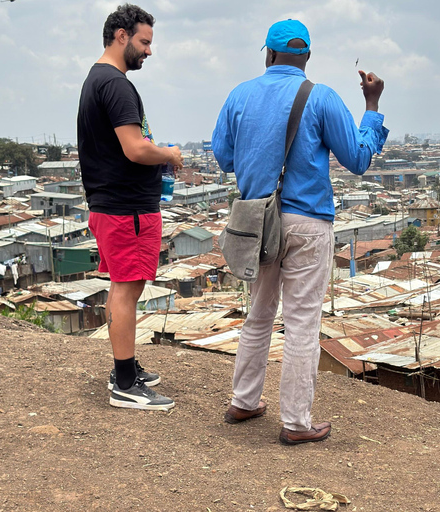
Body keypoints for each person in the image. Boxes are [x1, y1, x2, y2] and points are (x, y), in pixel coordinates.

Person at [212, 19, 388, 444]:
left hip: (260, 221)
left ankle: (244, 400)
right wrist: (372, 106)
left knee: (258, 314)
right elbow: (359, 159)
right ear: (307, 57)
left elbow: (223, 157)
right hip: (309, 223)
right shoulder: (322, 97)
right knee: (302, 324)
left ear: (269, 55)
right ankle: (295, 423)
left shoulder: (240, 95)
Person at [77, 3, 183, 411]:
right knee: (126, 289)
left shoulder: (98, 79)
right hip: (125, 209)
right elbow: (135, 149)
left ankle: (126, 366)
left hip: (116, 205)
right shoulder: (116, 84)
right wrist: (169, 154)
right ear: (121, 36)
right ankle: (125, 383)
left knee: (125, 286)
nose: (149, 51)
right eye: (144, 42)